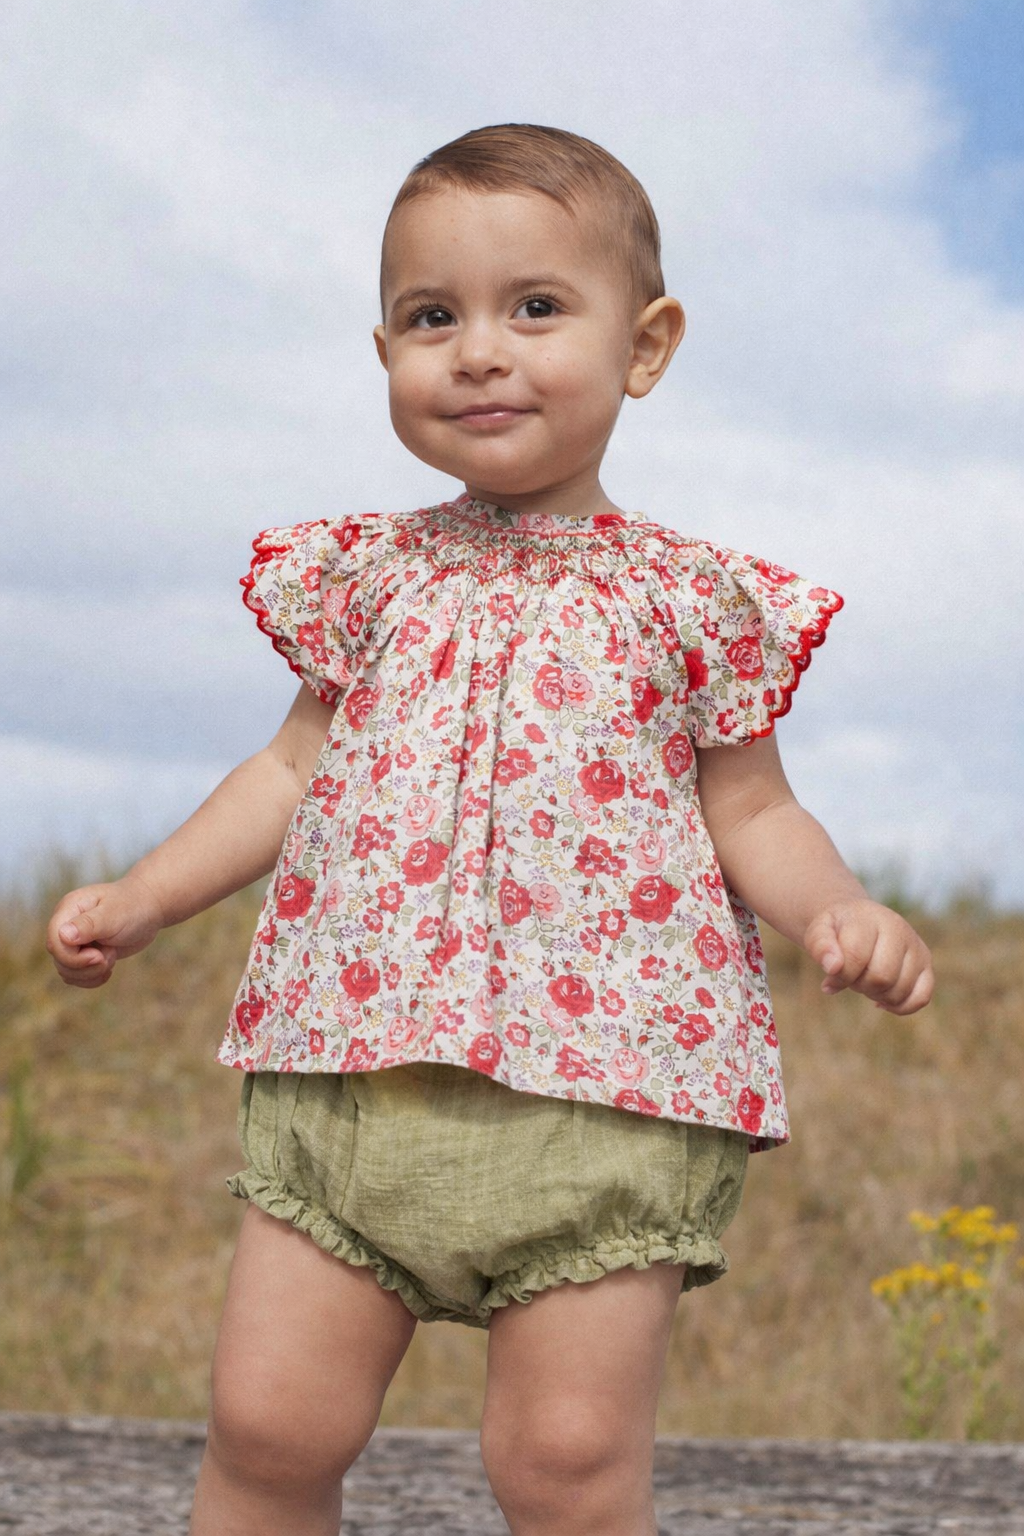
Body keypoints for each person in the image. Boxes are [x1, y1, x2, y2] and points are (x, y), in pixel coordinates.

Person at [47, 123, 933, 1536]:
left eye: (535, 308)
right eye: (429, 316)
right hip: (355, 1076)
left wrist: (837, 909)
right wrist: (147, 897)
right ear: (384, 348)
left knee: (565, 1467)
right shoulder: (366, 576)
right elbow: (289, 770)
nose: (477, 350)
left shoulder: (689, 603)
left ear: (645, 347)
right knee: (271, 1430)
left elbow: (753, 806)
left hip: (603, 1105)